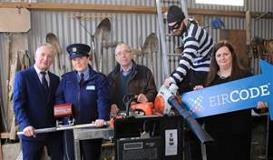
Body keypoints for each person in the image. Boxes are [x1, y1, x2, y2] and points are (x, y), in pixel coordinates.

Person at [193, 40, 257, 160]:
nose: (222, 58)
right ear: (215, 59)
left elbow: (258, 107)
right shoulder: (208, 81)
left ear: (232, 55)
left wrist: (262, 105)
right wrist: (199, 98)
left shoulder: (246, 77)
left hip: (239, 136)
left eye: (225, 54)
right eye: (219, 55)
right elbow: (201, 114)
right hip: (215, 136)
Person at [55, 43, 110, 160]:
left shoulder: (99, 79)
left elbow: (103, 99)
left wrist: (102, 118)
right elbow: (59, 98)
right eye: (74, 59)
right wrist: (65, 116)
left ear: (88, 58)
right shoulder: (66, 79)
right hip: (70, 129)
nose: (77, 62)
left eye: (80, 58)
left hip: (91, 126)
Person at [13, 43, 63, 160]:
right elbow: (18, 104)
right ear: (35, 57)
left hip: (52, 132)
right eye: (43, 55)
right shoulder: (23, 76)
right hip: (31, 132)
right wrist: (25, 125)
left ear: (52, 60)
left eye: (49, 56)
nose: (46, 59)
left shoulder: (56, 79)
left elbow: (58, 104)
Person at [164, 5, 214, 93]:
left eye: (176, 27)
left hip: (206, 66)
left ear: (183, 21)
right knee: (178, 83)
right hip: (196, 62)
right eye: (171, 28)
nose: (174, 31)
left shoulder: (191, 37)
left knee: (191, 91)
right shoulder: (189, 23)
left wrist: (173, 79)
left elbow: (186, 60)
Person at [108, 42, 157, 115]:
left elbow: (153, 91)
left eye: (126, 52)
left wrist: (147, 97)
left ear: (131, 54)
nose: (123, 56)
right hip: (119, 116)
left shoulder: (145, 72)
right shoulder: (111, 76)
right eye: (119, 53)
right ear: (116, 58)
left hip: (139, 115)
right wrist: (111, 104)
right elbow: (108, 97)